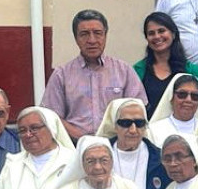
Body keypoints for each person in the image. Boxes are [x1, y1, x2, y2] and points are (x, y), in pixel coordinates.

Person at [41, 9, 147, 141]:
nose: (91, 40)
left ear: (105, 35)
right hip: (75, 146)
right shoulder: (61, 74)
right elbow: (52, 116)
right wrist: (83, 140)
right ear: (76, 38)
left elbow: (138, 110)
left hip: (118, 145)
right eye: (84, 34)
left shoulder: (124, 71)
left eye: (97, 33)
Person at [133, 11, 198, 119]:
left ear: (173, 34)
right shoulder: (138, 71)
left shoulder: (193, 72)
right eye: (151, 33)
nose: (157, 36)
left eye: (161, 31)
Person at [147, 74, 198, 146]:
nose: (188, 100)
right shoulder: (153, 131)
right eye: (182, 94)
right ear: (171, 97)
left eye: (195, 96)